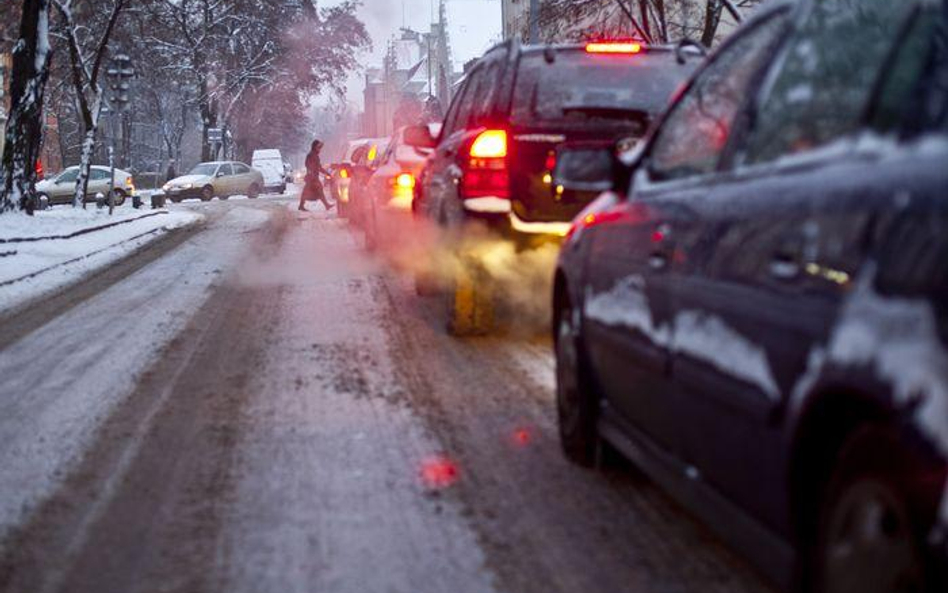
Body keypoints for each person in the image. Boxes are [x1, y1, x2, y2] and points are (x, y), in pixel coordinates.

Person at [299, 139, 332, 212]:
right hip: (312, 177)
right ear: (314, 147)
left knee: (309, 191)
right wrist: (311, 173)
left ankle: (301, 205)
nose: (320, 149)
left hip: (313, 177)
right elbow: (308, 165)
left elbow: (318, 167)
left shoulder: (315, 155)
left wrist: (326, 173)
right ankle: (326, 205)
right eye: (318, 147)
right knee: (314, 190)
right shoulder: (311, 155)